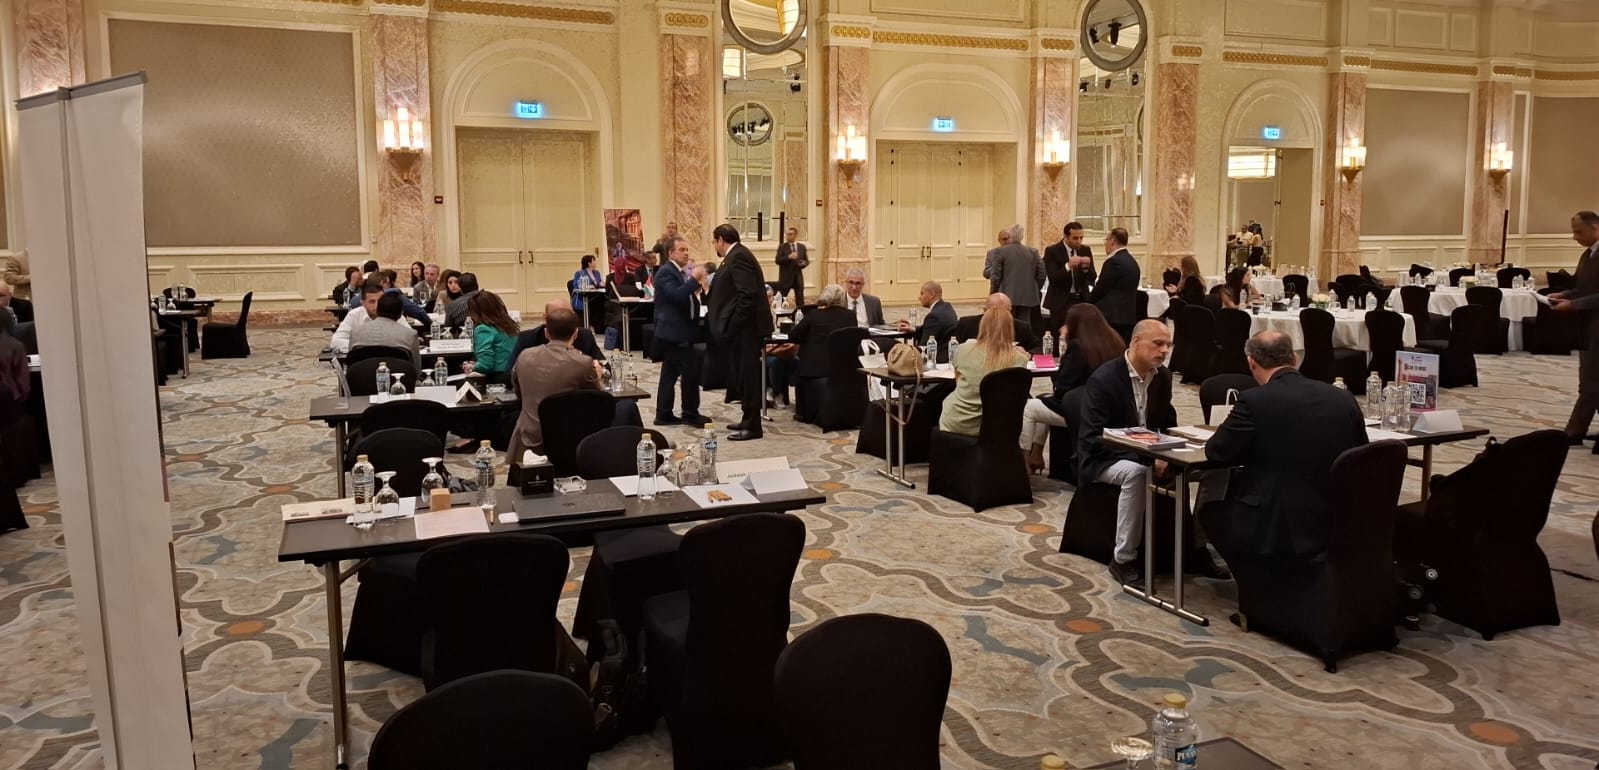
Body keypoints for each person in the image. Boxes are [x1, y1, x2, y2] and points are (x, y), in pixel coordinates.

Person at [1200, 331, 1367, 575]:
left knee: (1211, 512)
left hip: (1276, 521)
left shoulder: (1254, 400)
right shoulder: (1342, 396)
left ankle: (1256, 584)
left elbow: (1217, 452)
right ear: (1294, 358)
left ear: (1251, 363)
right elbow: (1360, 452)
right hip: (1337, 512)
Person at [1077, 319, 1176, 586]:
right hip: (1104, 459)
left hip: (1149, 452)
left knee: (1192, 468)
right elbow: (1095, 438)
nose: (1164, 351)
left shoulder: (1162, 376)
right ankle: (1123, 559)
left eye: (1168, 345)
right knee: (1137, 473)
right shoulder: (1104, 379)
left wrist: (1169, 451)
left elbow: (1167, 422)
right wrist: (1146, 458)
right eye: (1158, 343)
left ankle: (1191, 549)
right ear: (1135, 342)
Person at [507, 308, 641, 459]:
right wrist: (598, 376)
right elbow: (601, 401)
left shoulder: (524, 356)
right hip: (572, 439)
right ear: (576, 334)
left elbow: (517, 390)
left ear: (546, 333)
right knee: (627, 408)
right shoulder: (582, 362)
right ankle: (635, 457)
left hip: (529, 438)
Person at [1020, 303, 1125, 473]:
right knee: (1043, 399)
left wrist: (1064, 354)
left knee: (1028, 408)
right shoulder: (1115, 341)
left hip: (1080, 408)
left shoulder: (1078, 347)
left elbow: (1063, 386)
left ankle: (1023, 461)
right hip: (1108, 408)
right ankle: (1036, 455)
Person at [707, 224, 772, 440]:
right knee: (743, 375)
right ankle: (747, 418)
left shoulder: (739, 256)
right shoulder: (735, 256)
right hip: (743, 328)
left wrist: (734, 324)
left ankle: (753, 426)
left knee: (750, 376)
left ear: (720, 240)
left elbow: (747, 295)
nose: (715, 246)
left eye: (714, 241)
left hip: (747, 329)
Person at [938, 305, 1030, 437]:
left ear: (982, 326)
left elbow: (957, 380)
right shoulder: (1020, 359)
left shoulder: (963, 350)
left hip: (959, 421)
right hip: (998, 424)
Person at [652, 235, 709, 428]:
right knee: (689, 373)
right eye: (681, 250)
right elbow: (676, 296)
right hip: (674, 332)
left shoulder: (678, 272)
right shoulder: (665, 272)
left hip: (680, 330)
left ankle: (664, 413)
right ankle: (689, 413)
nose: (686, 253)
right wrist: (694, 280)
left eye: (687, 250)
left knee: (670, 373)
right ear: (670, 253)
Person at [1552, 210, 1599, 450]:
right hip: (1587, 327)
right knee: (1589, 379)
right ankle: (1577, 430)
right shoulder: (1588, 254)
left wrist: (1574, 305)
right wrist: (1564, 295)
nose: (1574, 237)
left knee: (1591, 380)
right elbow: (1583, 288)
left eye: (1578, 232)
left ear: (1595, 228)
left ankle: (1575, 430)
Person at [788, 283, 856, 423]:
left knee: (799, 366)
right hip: (842, 369)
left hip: (814, 370)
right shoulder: (850, 316)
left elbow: (793, 336)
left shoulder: (814, 315)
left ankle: (802, 413)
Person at [985, 223, 1047, 336]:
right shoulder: (1033, 252)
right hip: (1028, 295)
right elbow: (1042, 274)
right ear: (1022, 237)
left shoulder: (1001, 251)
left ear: (1010, 236)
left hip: (1005, 296)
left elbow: (996, 275)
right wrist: (1034, 288)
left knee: (1006, 326)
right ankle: (1023, 344)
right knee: (1024, 326)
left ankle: (1007, 345)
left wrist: (993, 293)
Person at [509, 299, 606, 367]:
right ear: (545, 319)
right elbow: (509, 376)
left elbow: (604, 365)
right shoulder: (527, 338)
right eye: (556, 317)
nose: (563, 320)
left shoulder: (585, 336)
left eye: (568, 316)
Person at [1089, 227, 1141, 343]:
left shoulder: (1113, 262)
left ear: (1112, 241)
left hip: (1112, 316)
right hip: (1127, 315)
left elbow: (1101, 288)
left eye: (1106, 240)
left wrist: (1087, 300)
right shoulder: (1132, 261)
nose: (1105, 244)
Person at [1043, 221, 1097, 333]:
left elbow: (1092, 277)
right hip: (1061, 301)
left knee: (1082, 334)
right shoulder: (1052, 251)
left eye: (1081, 238)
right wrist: (1068, 266)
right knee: (1059, 334)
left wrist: (1086, 268)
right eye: (1075, 238)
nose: (1079, 241)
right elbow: (1053, 278)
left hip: (1081, 299)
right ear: (1066, 236)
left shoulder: (1085, 250)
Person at [349, 292, 422, 370]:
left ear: (377, 310)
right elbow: (415, 370)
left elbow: (351, 365)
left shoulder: (355, 332)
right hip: (398, 376)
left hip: (361, 376)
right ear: (401, 313)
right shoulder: (410, 334)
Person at [460, 290, 518, 386]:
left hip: (497, 378)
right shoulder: (509, 325)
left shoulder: (483, 329)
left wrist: (472, 367)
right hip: (513, 375)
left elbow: (486, 365)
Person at [897, 280, 958, 354]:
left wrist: (903, 351)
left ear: (932, 294)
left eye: (922, 294)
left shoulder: (933, 316)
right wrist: (913, 329)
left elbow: (923, 347)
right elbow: (929, 328)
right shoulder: (947, 307)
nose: (919, 297)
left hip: (938, 356)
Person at [764, 286, 799, 407]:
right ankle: (777, 393)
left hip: (776, 347)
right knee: (776, 362)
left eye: (772, 297)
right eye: (768, 297)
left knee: (795, 361)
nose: (771, 300)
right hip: (763, 350)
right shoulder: (757, 314)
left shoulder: (774, 312)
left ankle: (774, 389)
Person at [329, 281, 385, 353]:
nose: (377, 306)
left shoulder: (393, 313)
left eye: (380, 301)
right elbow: (336, 341)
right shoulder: (354, 315)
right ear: (363, 303)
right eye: (372, 302)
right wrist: (363, 346)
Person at [774, 227, 809, 306]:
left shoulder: (802, 247)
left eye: (790, 234)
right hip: (785, 278)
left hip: (798, 278)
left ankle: (800, 312)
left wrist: (804, 263)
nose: (787, 236)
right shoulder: (782, 247)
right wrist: (788, 257)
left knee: (800, 300)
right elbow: (777, 260)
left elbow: (806, 260)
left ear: (795, 235)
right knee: (781, 299)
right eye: (787, 234)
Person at [571, 255, 605, 322]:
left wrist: (602, 284)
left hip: (595, 296)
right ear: (589, 263)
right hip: (584, 297)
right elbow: (576, 286)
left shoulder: (597, 272)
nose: (595, 262)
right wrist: (588, 286)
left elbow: (599, 282)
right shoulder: (579, 273)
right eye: (594, 260)